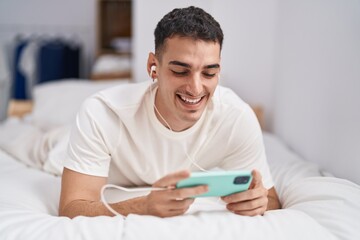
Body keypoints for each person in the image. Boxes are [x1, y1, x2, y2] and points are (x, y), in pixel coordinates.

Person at [59, 6, 281, 218]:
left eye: (209, 73)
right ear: (152, 66)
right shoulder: (102, 113)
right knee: (45, 145)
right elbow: (72, 207)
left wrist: (257, 201)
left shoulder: (236, 117)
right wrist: (143, 205)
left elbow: (271, 200)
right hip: (65, 151)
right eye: (180, 71)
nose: (195, 88)